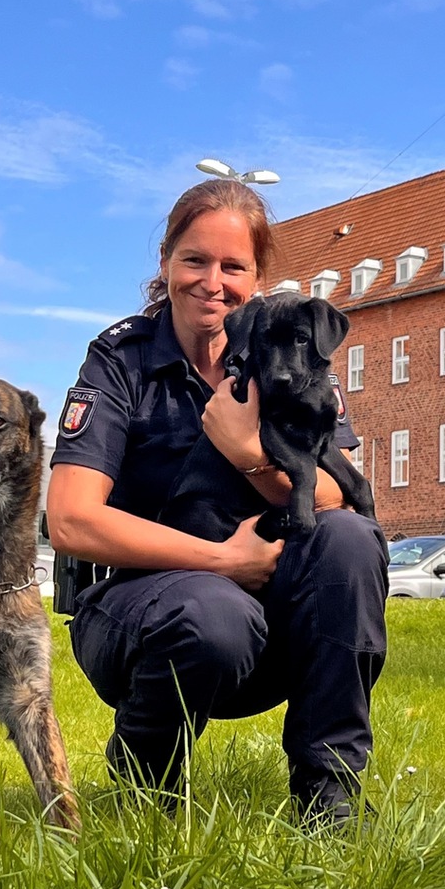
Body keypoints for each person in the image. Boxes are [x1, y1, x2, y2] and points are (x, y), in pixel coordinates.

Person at [46, 179, 389, 823]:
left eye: (234, 266)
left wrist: (248, 454)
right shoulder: (120, 361)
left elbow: (338, 490)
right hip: (145, 614)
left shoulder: (286, 349)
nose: (213, 281)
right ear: (166, 265)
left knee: (350, 540)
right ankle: (145, 793)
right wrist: (222, 560)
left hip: (271, 619)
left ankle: (330, 799)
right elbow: (69, 518)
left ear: (256, 279)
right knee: (211, 611)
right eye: (195, 260)